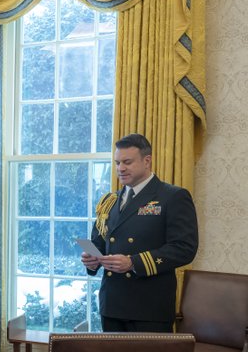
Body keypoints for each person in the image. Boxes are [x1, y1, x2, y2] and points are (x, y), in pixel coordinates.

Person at [81, 133, 199, 332]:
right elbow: (100, 243)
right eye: (117, 162)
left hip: (149, 307)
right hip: (112, 304)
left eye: (127, 162)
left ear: (147, 161)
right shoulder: (109, 200)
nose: (120, 168)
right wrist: (91, 259)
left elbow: (184, 248)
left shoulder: (173, 196)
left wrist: (133, 262)